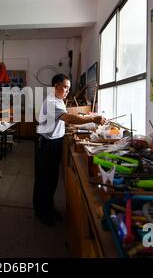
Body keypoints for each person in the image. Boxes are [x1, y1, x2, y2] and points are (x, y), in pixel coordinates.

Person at [34, 74, 106, 226]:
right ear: (56, 86)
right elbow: (68, 118)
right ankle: (42, 212)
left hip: (54, 142)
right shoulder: (52, 101)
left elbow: (64, 119)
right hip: (47, 144)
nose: (67, 91)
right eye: (65, 87)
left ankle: (49, 208)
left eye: (68, 88)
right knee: (44, 180)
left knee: (52, 179)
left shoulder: (58, 100)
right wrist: (92, 119)